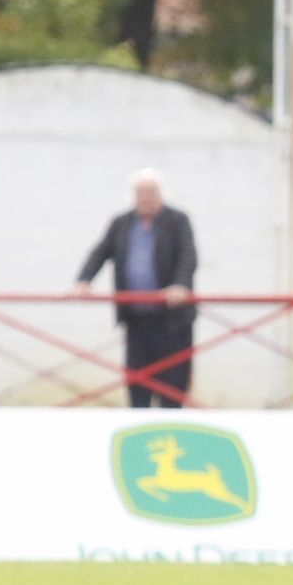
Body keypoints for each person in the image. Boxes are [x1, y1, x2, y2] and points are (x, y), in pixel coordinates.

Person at [74, 170, 198, 408]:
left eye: (151, 193)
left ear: (162, 194)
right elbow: (101, 251)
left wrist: (180, 286)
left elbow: (188, 256)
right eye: (140, 193)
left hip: (172, 320)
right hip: (136, 318)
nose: (145, 198)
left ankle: (171, 431)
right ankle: (140, 431)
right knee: (137, 383)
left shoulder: (177, 220)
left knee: (172, 385)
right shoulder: (122, 222)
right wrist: (84, 281)